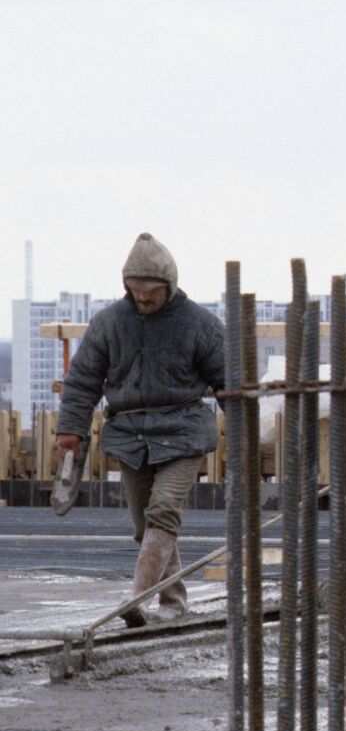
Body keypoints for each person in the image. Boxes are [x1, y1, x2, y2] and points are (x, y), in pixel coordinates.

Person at [56, 233, 226, 627]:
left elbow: (229, 382)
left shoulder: (199, 325)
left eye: (151, 292)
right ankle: (173, 600)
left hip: (183, 431)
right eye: (135, 292)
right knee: (144, 524)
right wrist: (71, 431)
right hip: (131, 435)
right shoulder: (109, 324)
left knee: (164, 510)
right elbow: (82, 381)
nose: (143, 299)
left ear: (169, 285)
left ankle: (138, 599)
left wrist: (246, 427)